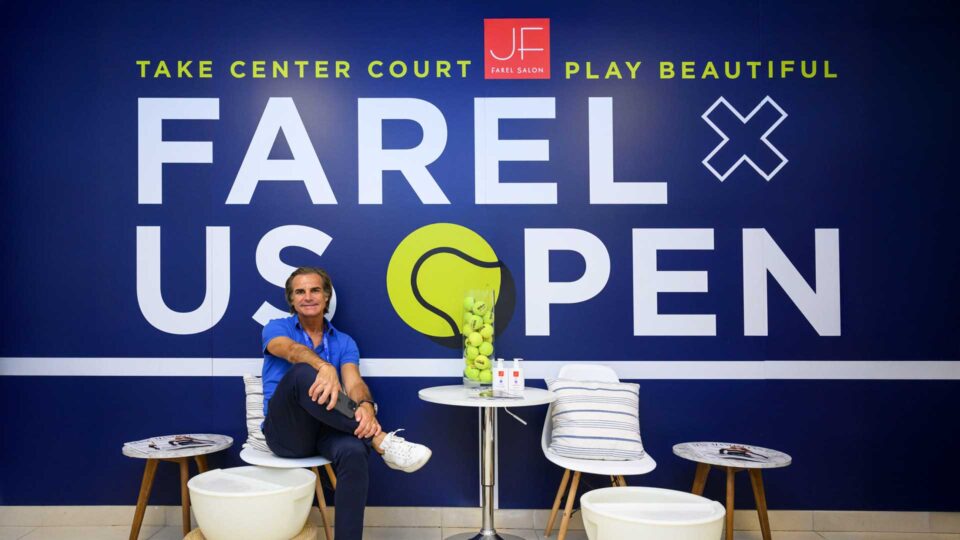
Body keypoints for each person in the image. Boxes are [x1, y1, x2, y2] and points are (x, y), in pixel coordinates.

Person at [261, 266, 431, 540]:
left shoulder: (344, 342)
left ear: (326, 297)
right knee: (303, 373)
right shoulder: (276, 328)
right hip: (287, 434)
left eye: (315, 290)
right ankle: (381, 440)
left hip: (329, 430)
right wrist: (323, 365)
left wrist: (365, 405)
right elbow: (292, 352)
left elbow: (354, 384)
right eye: (299, 292)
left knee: (353, 449)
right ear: (291, 300)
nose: (307, 297)